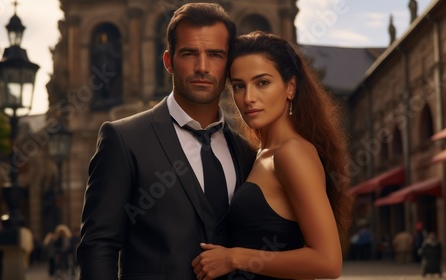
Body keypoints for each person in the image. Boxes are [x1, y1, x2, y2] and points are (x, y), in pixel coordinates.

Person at [77, 3, 256, 280]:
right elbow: (98, 247)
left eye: (215, 55)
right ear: (169, 61)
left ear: (229, 64)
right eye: (189, 54)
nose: (202, 67)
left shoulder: (246, 152)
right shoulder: (124, 139)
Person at [191, 31, 354, 279]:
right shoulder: (259, 154)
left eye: (262, 83)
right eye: (238, 86)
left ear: (290, 87)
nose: (249, 98)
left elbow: (328, 262)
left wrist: (234, 257)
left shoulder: (292, 152)